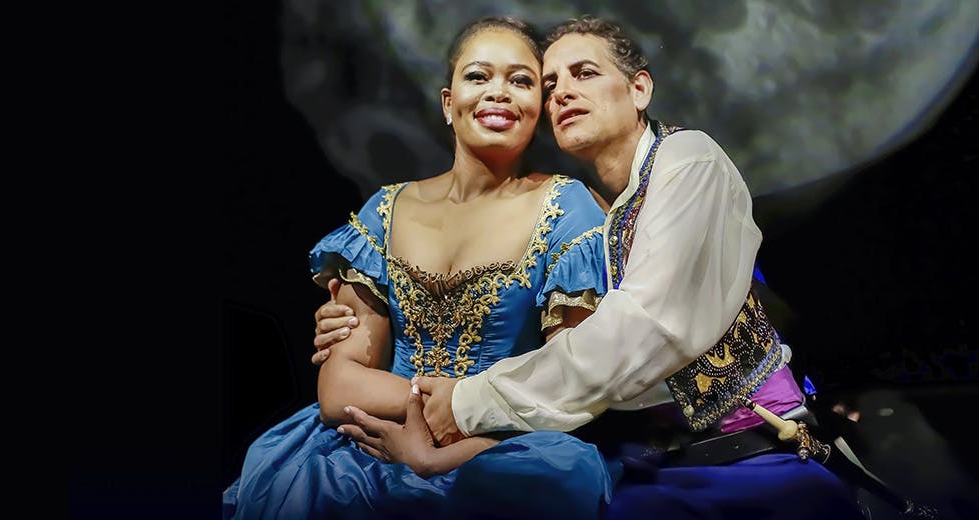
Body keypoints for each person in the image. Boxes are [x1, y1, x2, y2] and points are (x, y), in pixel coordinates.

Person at [323, 15, 868, 519]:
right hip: (647, 461)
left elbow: (640, 330)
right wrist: (349, 325)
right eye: (552, 83)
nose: (563, 92)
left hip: (749, 457)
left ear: (640, 90)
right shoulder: (608, 217)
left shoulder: (688, 161)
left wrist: (467, 404)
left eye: (583, 73)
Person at [223, 16, 616, 520]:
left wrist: (451, 432)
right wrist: (432, 403)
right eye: (478, 76)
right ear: (449, 103)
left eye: (520, 80)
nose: (498, 92)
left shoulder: (568, 209)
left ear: (538, 107)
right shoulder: (383, 212)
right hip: (369, 442)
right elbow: (340, 388)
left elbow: (570, 384)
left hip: (502, 448)